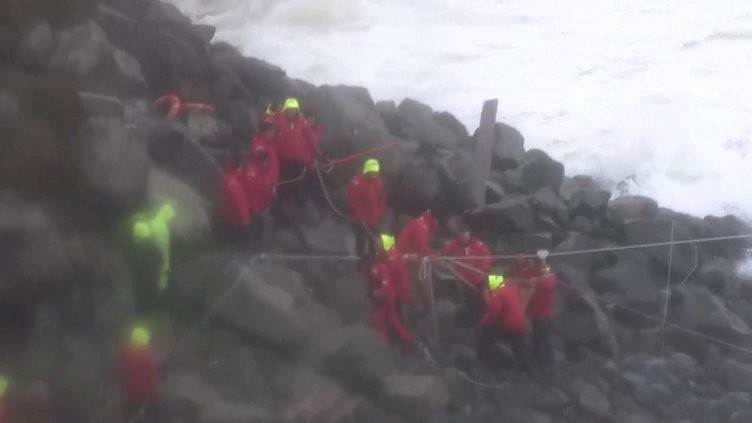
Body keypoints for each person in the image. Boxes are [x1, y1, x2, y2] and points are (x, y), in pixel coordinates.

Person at [477, 271, 529, 373]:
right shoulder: (515, 289)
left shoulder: (499, 292)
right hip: (520, 325)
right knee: (517, 343)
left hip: (507, 325)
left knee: (485, 333)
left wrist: (482, 323)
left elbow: (493, 312)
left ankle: (483, 360)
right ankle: (523, 368)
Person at [441, 220, 491, 325]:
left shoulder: (478, 244)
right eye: (461, 234)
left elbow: (487, 255)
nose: (463, 236)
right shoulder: (453, 244)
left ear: (469, 233)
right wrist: (438, 256)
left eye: (465, 233)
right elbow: (443, 252)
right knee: (469, 303)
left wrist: (483, 269)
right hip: (464, 280)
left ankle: (483, 321)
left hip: (478, 280)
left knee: (482, 302)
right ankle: (473, 323)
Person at [274, 97, 321, 207]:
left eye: (294, 109)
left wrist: (315, 154)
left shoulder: (302, 122)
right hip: (284, 159)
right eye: (289, 109)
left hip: (299, 160)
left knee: (299, 181)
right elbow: (273, 136)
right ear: (285, 109)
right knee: (285, 180)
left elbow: (310, 138)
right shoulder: (279, 121)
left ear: (297, 110)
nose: (291, 111)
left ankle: (299, 202)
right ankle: (284, 201)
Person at [366, 256, 414, 354]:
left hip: (388, 297)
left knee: (387, 319)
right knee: (385, 319)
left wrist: (381, 291)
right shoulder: (379, 267)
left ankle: (403, 339)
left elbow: (385, 279)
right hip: (388, 296)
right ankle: (400, 339)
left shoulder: (375, 268)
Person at [397, 210, 439, 318]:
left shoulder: (418, 222)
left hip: (408, 257)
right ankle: (423, 307)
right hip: (407, 259)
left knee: (413, 286)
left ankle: (420, 308)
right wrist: (432, 254)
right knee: (414, 285)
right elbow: (421, 245)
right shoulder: (422, 226)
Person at [120, 326, 164, 423]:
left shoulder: (125, 354)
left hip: (131, 394)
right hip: (145, 395)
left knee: (132, 416)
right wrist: (154, 393)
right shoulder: (145, 356)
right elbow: (151, 376)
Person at [132, 202, 176, 294]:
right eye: (171, 218)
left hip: (147, 262)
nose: (171, 221)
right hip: (157, 262)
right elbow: (163, 248)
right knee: (160, 285)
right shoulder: (162, 228)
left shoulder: (153, 223)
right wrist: (165, 264)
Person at [348, 159, 386, 259]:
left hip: (373, 217)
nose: (374, 175)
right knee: (361, 238)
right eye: (372, 172)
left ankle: (373, 259)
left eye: (375, 172)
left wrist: (380, 211)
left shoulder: (379, 181)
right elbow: (353, 201)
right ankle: (359, 258)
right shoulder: (356, 182)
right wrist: (358, 216)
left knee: (374, 240)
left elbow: (381, 198)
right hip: (360, 218)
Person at [527, 251, 557, 367]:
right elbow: (527, 274)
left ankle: (544, 362)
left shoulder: (549, 274)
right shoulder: (537, 269)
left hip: (542, 313)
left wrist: (536, 281)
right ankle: (540, 359)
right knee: (537, 336)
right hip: (535, 312)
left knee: (542, 338)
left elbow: (549, 284)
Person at [242, 145, 277, 241]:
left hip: (264, 206)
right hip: (255, 210)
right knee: (258, 229)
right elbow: (251, 195)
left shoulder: (264, 172)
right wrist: (257, 211)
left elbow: (268, 188)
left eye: (267, 161)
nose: (267, 163)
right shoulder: (252, 174)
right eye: (265, 161)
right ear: (260, 161)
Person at [376, 234, 410, 316]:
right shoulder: (387, 254)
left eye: (378, 244)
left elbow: (389, 276)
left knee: (397, 313)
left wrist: (382, 290)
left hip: (398, 290)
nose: (376, 246)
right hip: (395, 288)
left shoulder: (392, 256)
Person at [220, 152, 251, 233]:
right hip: (234, 220)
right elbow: (239, 200)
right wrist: (245, 218)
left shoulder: (228, 176)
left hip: (228, 215)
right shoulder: (234, 183)